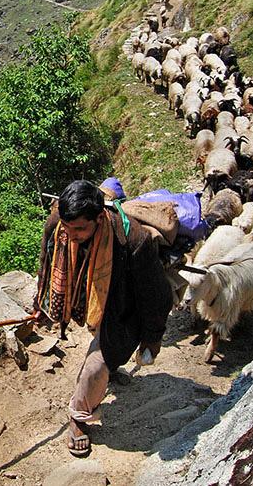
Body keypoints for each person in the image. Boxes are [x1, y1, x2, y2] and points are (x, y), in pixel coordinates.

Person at [35, 180, 172, 457]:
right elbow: (47, 262)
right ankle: (109, 365)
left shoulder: (134, 241)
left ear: (100, 218)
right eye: (68, 228)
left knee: (96, 367)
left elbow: (154, 295)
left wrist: (152, 338)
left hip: (122, 307)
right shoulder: (58, 224)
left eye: (80, 229)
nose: (72, 235)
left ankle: (78, 416)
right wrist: (41, 302)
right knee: (106, 355)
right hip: (86, 294)